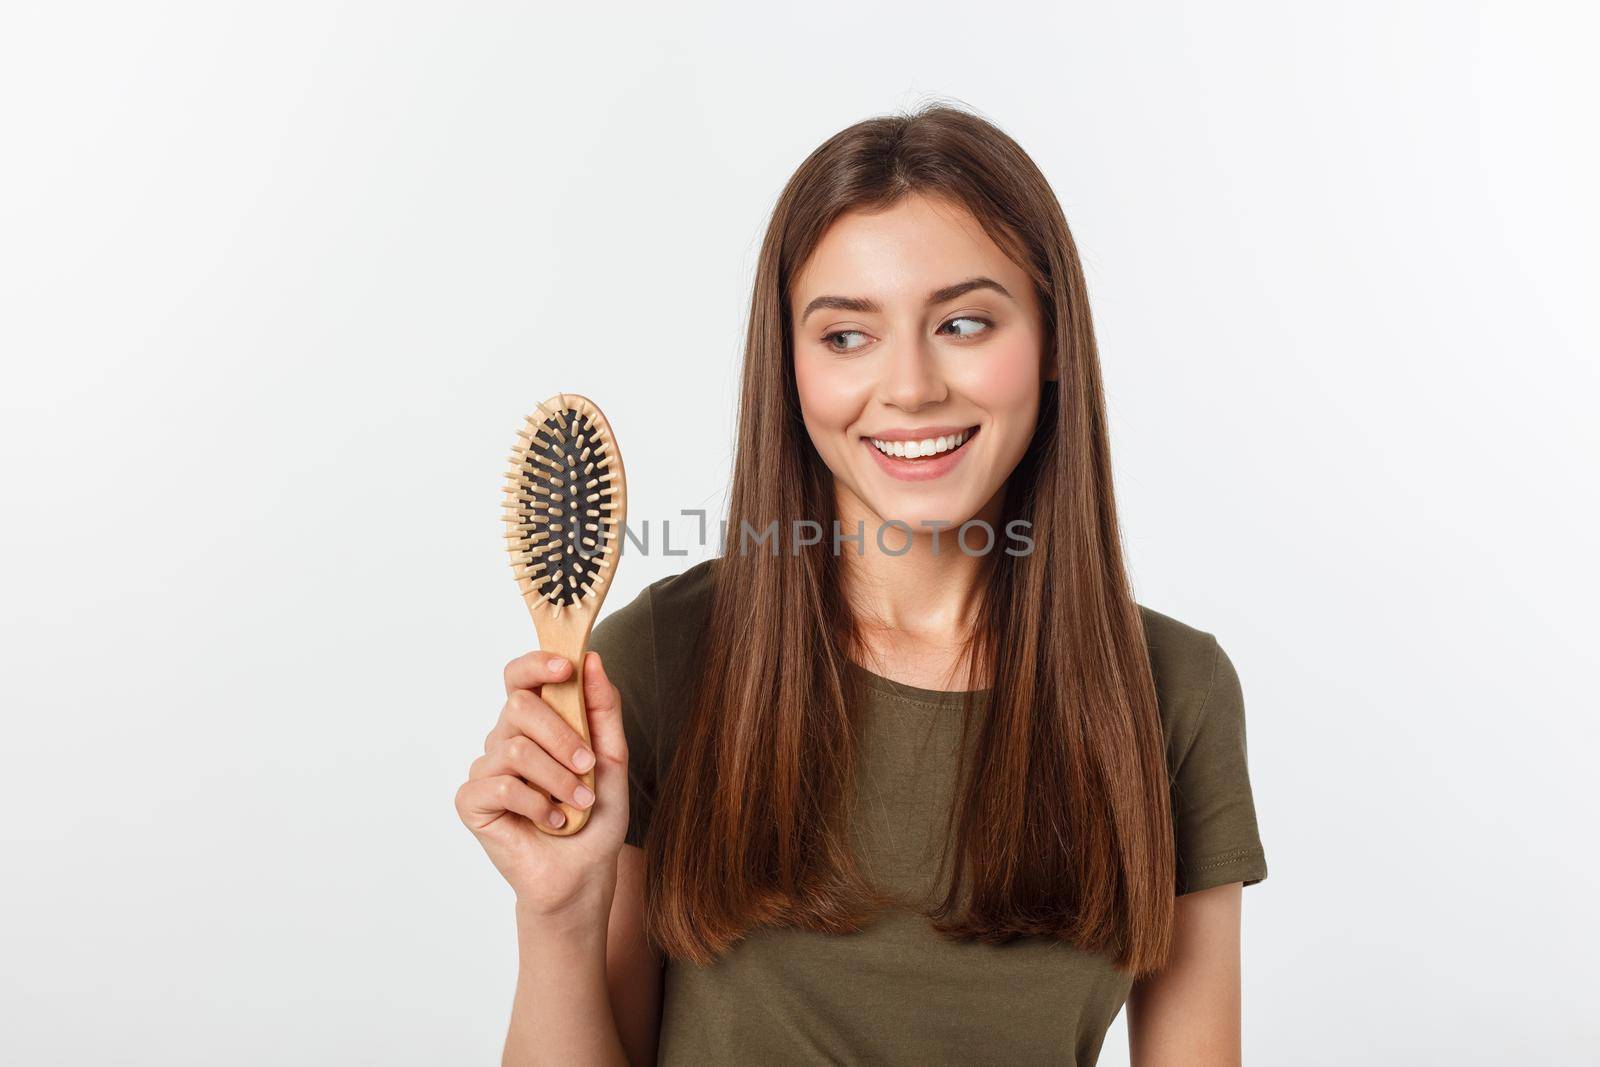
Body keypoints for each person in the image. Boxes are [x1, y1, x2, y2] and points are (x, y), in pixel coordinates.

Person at [456, 103, 1268, 1066]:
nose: (911, 386)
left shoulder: (1175, 691)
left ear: (1051, 344)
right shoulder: (668, 659)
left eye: (964, 323)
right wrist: (556, 915)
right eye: (847, 337)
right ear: (791, 368)